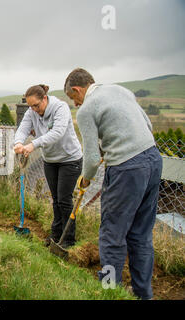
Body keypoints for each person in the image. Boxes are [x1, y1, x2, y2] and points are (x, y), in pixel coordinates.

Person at [64, 68, 162, 300]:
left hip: (126, 168)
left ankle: (109, 292)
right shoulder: (120, 90)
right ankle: (143, 295)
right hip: (153, 159)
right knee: (141, 235)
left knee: (111, 236)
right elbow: (148, 126)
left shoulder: (87, 109)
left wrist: (85, 179)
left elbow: (89, 160)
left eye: (72, 98)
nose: (75, 104)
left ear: (78, 90)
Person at [14, 84, 83, 248]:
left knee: (65, 200)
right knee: (56, 199)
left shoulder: (61, 108)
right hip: (50, 160)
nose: (34, 109)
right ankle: (55, 235)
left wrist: (33, 145)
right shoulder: (32, 111)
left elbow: (57, 133)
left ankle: (68, 240)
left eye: (36, 105)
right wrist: (18, 142)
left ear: (45, 98)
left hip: (69, 159)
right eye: (31, 106)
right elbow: (23, 128)